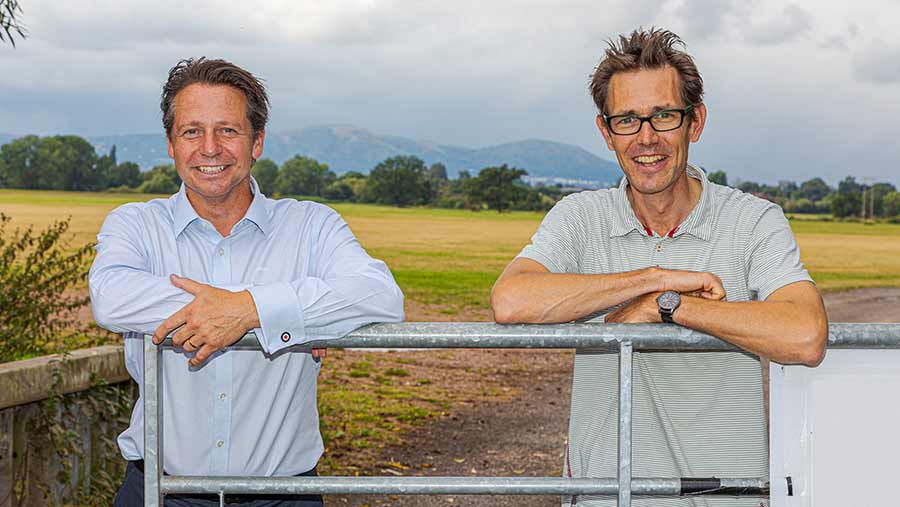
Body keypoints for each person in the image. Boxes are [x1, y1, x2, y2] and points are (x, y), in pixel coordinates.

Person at [491, 28, 827, 506]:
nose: (646, 138)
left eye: (663, 116)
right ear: (606, 132)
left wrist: (667, 307)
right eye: (626, 120)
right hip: (607, 496)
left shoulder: (753, 220)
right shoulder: (580, 217)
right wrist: (653, 278)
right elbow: (510, 299)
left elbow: (806, 334)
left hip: (722, 498)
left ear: (695, 122)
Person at [89, 57, 405, 506]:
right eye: (192, 131)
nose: (210, 148)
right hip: (158, 492)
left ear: (256, 143)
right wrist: (293, 314)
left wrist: (251, 310)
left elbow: (381, 296)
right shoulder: (136, 225)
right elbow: (112, 297)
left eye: (229, 130)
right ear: (170, 144)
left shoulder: (311, 224)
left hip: (284, 495)